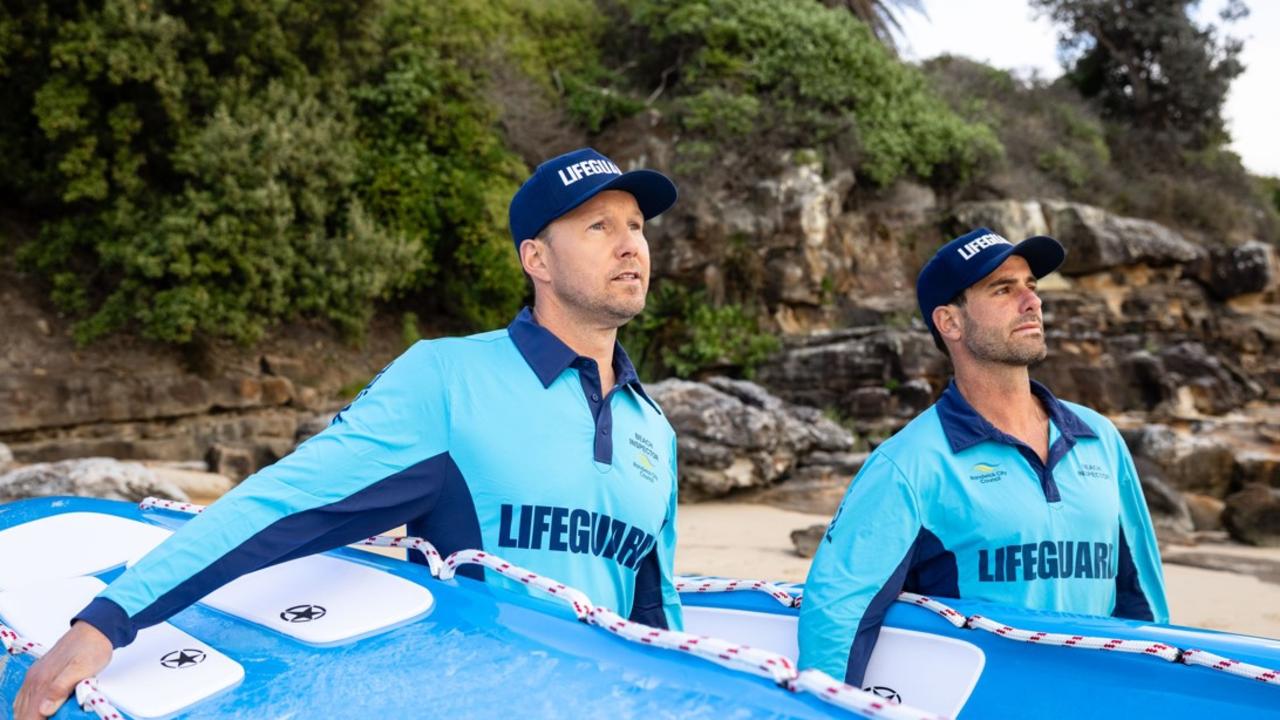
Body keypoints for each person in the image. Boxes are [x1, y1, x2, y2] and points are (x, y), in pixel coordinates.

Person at [14, 147, 685, 719]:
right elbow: (284, 501)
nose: (631, 243)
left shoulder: (652, 429)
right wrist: (109, 620)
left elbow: (657, 614)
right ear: (536, 258)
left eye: (636, 225)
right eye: (598, 226)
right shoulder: (449, 380)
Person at [797, 227, 1169, 687]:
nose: (1031, 301)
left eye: (1031, 285)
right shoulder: (909, 463)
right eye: (1003, 289)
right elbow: (837, 616)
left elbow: (1142, 602)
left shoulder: (1099, 438)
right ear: (950, 322)